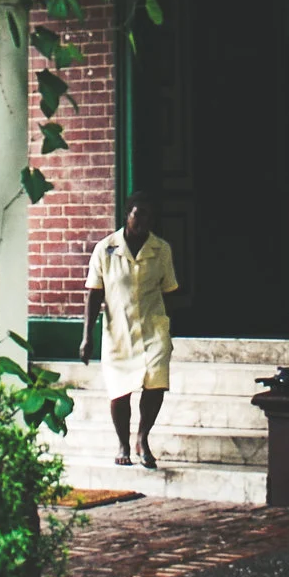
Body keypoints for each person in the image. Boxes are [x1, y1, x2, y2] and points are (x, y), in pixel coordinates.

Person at [83, 193, 184, 469]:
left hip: (153, 328)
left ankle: (143, 437)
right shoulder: (105, 249)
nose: (142, 221)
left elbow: (170, 290)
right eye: (137, 215)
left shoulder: (161, 249)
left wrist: (169, 327)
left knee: (155, 382)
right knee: (119, 391)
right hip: (118, 331)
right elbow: (93, 294)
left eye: (148, 217)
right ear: (127, 215)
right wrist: (86, 336)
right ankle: (123, 444)